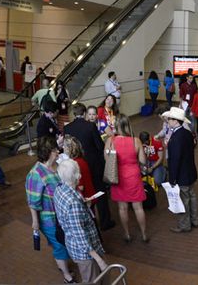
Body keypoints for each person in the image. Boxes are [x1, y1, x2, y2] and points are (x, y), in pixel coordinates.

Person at [25, 136, 72, 282]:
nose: (58, 151)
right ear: (48, 152)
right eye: (55, 149)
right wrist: (35, 222)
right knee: (60, 246)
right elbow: (33, 202)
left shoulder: (56, 165)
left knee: (63, 243)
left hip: (61, 216)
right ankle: (67, 276)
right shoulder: (35, 174)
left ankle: (63, 264)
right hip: (49, 220)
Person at [54, 159, 108, 283]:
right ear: (77, 176)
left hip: (74, 245)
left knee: (98, 278)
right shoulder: (73, 203)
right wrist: (99, 260)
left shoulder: (59, 188)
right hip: (85, 253)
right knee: (92, 280)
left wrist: (83, 204)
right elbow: (80, 237)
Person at [64, 103, 114, 231]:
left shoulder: (67, 128)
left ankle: (90, 221)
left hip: (76, 165)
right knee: (100, 191)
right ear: (85, 113)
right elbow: (99, 146)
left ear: (74, 113)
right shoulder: (90, 126)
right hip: (93, 164)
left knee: (83, 193)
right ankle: (105, 221)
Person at [108, 115, 148, 243]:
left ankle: (127, 234)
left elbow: (107, 160)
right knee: (138, 208)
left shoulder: (111, 141)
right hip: (133, 176)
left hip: (118, 176)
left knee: (122, 208)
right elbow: (142, 161)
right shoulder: (136, 141)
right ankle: (144, 234)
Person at [163, 107, 198, 233]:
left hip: (181, 175)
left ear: (176, 121)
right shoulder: (187, 133)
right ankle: (195, 220)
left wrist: (172, 178)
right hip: (190, 171)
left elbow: (175, 159)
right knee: (192, 196)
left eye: (169, 119)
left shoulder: (176, 137)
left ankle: (184, 225)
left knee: (183, 200)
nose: (167, 120)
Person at [61, 135, 96, 205]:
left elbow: (81, 187)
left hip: (86, 198)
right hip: (90, 195)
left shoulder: (75, 163)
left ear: (69, 149)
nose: (63, 147)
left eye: (64, 146)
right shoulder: (80, 160)